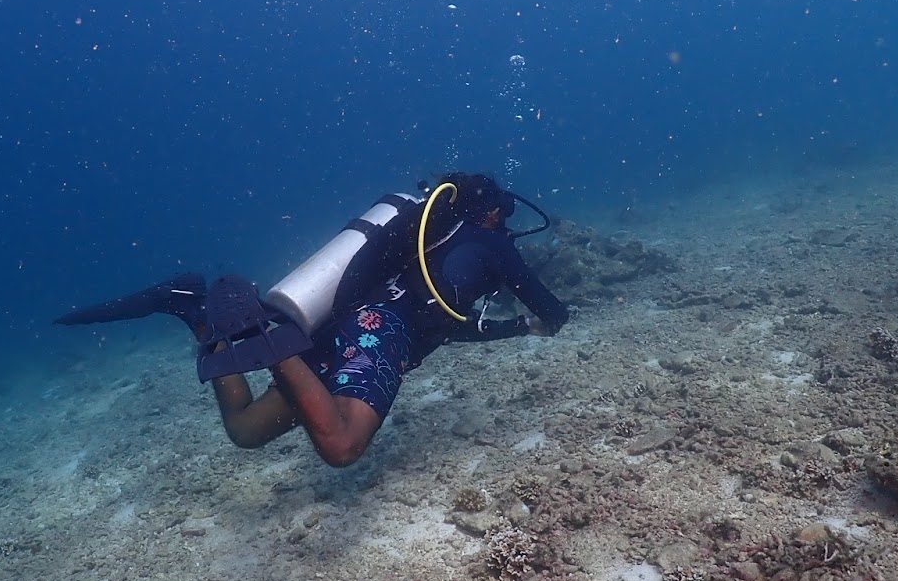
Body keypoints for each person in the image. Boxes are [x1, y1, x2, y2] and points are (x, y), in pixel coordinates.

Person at [55, 173, 569, 467]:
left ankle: (196, 311)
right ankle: (264, 335)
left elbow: (446, 323)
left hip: (341, 317)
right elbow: (552, 311)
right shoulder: (495, 246)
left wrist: (516, 330)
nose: (508, 225)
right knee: (342, 445)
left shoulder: (421, 236)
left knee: (246, 430)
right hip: (379, 334)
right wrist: (544, 318)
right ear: (493, 214)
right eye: (506, 216)